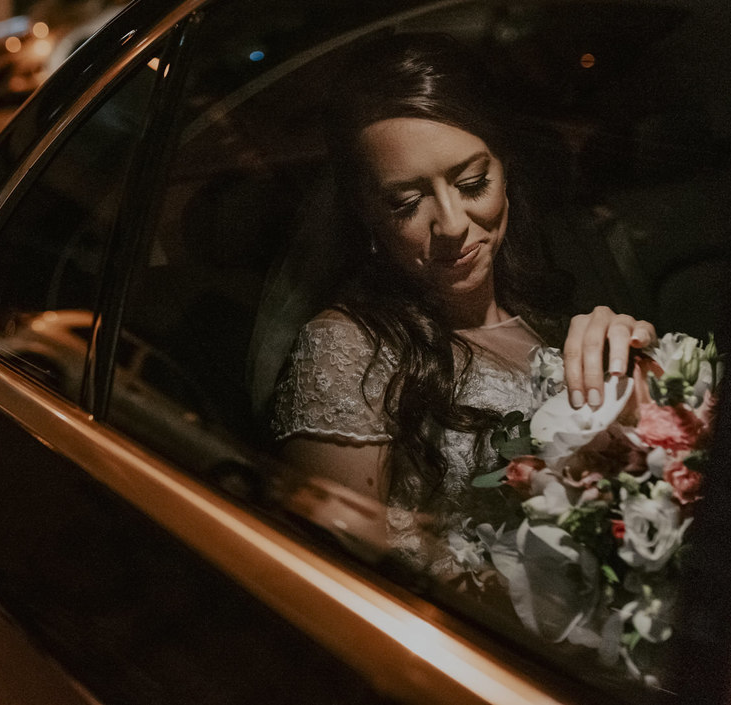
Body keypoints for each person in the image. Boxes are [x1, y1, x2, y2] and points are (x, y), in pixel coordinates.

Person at [270, 33, 655, 566]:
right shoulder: (344, 350)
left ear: (505, 168)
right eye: (407, 202)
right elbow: (341, 581)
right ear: (365, 211)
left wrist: (642, 387)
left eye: (472, 183)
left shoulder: (547, 323)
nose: (452, 225)